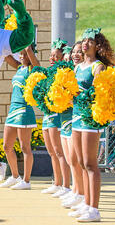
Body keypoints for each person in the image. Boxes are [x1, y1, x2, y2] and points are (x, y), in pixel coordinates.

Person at [70, 28, 115, 222]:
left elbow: (98, 94)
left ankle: (94, 209)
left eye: (90, 41)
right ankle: (86, 203)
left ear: (98, 46)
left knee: (90, 163)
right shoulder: (78, 66)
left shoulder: (98, 67)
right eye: (84, 40)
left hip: (90, 118)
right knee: (81, 162)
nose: (85, 44)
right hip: (76, 116)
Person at [0, 45, 39, 190]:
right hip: (13, 110)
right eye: (20, 54)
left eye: (24, 54)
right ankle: (15, 176)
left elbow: (36, 62)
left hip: (24, 110)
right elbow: (6, 56)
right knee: (7, 146)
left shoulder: (33, 69)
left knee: (25, 147)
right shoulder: (19, 68)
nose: (21, 56)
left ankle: (26, 181)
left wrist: (28, 47)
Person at [41, 40, 71, 198]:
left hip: (57, 115)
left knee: (59, 152)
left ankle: (66, 185)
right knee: (51, 152)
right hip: (47, 115)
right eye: (51, 55)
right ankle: (57, 182)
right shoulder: (49, 71)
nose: (52, 58)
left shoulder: (63, 72)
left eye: (55, 55)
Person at [59, 41, 84, 209]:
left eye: (78, 52)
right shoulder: (74, 71)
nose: (74, 55)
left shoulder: (90, 69)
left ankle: (81, 193)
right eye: (73, 52)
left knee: (78, 160)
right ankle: (76, 191)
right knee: (71, 159)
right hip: (73, 118)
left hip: (82, 120)